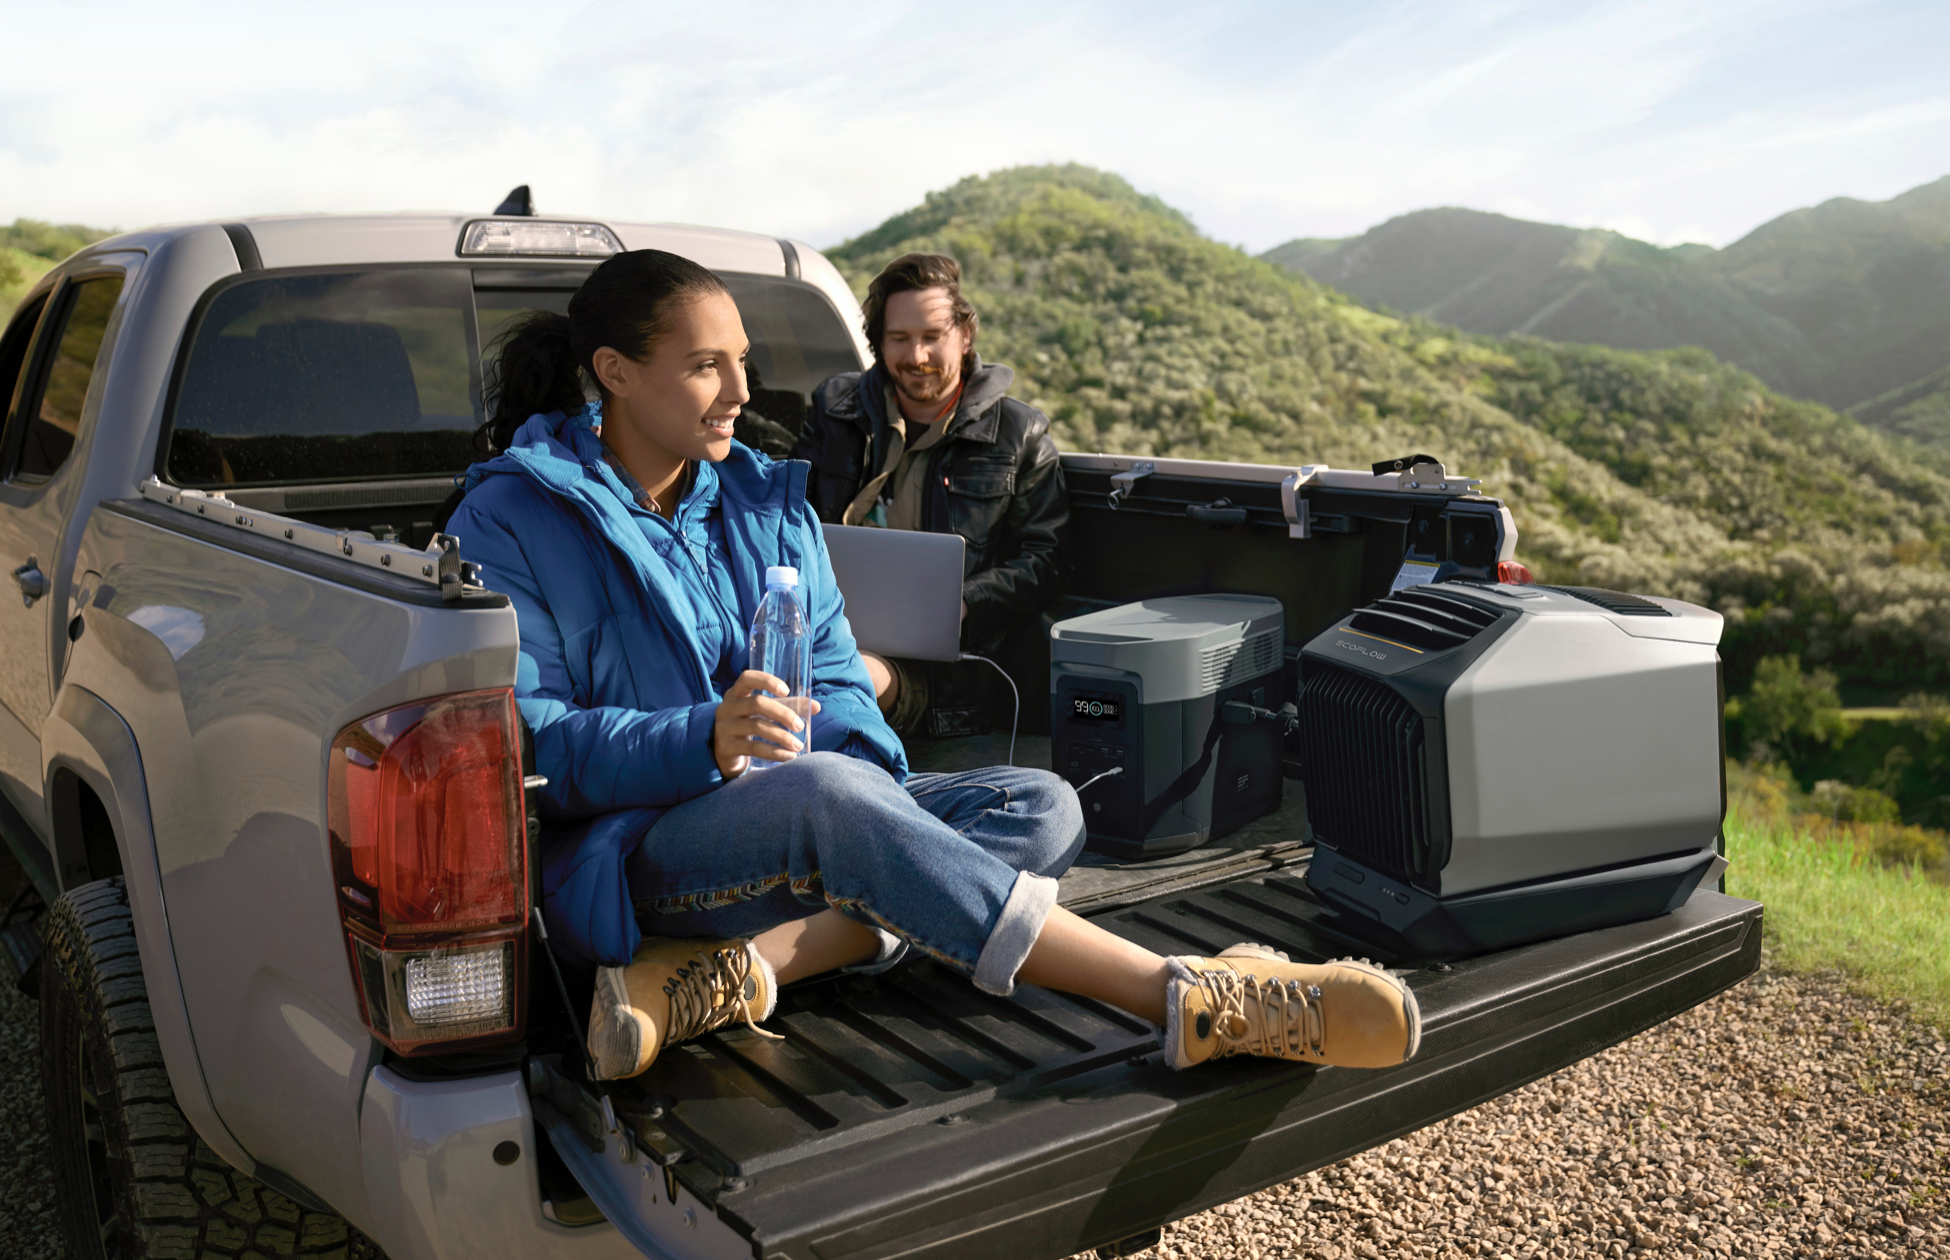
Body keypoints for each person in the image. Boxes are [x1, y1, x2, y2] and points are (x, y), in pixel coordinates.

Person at [447, 249, 1419, 1082]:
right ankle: (1180, 995)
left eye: (741, 363)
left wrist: (861, 786)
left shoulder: (764, 499)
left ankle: (748, 970)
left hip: (799, 811)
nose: (742, 394)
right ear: (613, 371)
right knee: (831, 792)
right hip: (634, 848)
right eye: (706, 367)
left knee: (1042, 804)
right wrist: (701, 738)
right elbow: (526, 741)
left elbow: (834, 681)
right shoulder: (510, 519)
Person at [794, 252, 1070, 736]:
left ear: (964, 336)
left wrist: (959, 602)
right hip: (825, 626)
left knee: (840, 681)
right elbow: (788, 515)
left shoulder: (1019, 433)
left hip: (947, 672)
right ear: (878, 342)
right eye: (899, 339)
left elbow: (1049, 560)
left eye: (931, 337)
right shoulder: (834, 410)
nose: (917, 356)